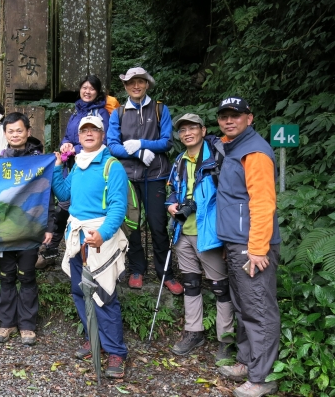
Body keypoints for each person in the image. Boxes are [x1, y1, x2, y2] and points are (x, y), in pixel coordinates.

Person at [52, 115, 129, 379]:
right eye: (83, 130)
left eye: (93, 130)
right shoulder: (78, 164)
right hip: (77, 235)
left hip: (100, 237)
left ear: (102, 134)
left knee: (104, 294)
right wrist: (55, 167)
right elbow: (64, 194)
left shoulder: (111, 166)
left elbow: (119, 206)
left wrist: (104, 234)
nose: (87, 134)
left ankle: (116, 351)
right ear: (78, 136)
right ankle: (92, 337)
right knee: (79, 290)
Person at [214, 97, 280, 397]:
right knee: (243, 306)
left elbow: (263, 204)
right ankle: (246, 362)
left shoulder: (254, 152)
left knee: (258, 309)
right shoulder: (233, 148)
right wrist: (231, 242)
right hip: (238, 242)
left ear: (249, 118)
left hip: (253, 247)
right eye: (224, 116)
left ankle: (262, 377)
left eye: (236, 116)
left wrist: (257, 248)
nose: (229, 121)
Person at [107, 67, 183, 295]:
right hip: (128, 177)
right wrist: (136, 153)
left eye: (140, 82)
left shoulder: (160, 109)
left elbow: (167, 141)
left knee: (158, 225)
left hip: (157, 174)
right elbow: (113, 145)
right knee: (132, 224)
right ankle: (137, 268)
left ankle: (165, 272)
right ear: (125, 86)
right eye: (131, 83)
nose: (136, 86)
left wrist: (141, 144)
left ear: (147, 84)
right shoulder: (118, 113)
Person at [166, 114, 235, 361]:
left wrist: (230, 238)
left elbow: (231, 196)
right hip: (183, 231)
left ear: (203, 130)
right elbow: (172, 190)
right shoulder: (179, 161)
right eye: (183, 129)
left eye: (192, 128)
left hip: (211, 233)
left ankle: (226, 339)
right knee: (191, 284)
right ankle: (194, 331)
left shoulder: (218, 157)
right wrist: (171, 205)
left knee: (220, 286)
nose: (187, 133)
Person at [0, 112, 54, 346]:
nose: (15, 135)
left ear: (28, 131)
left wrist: (49, 226)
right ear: (5, 134)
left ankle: (27, 325)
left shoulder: (40, 160)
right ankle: (6, 323)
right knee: (6, 277)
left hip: (31, 226)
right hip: (5, 229)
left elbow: (48, 194)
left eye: (19, 130)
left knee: (27, 276)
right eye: (10, 131)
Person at [38, 75, 111, 269]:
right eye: (84, 88)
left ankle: (91, 257)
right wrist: (64, 146)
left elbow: (103, 142)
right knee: (63, 207)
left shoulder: (101, 113)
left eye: (91, 89)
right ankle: (52, 250)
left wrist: (74, 149)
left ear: (98, 92)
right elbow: (67, 137)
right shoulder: (76, 112)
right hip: (73, 166)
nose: (87, 91)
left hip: (92, 168)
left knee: (77, 210)